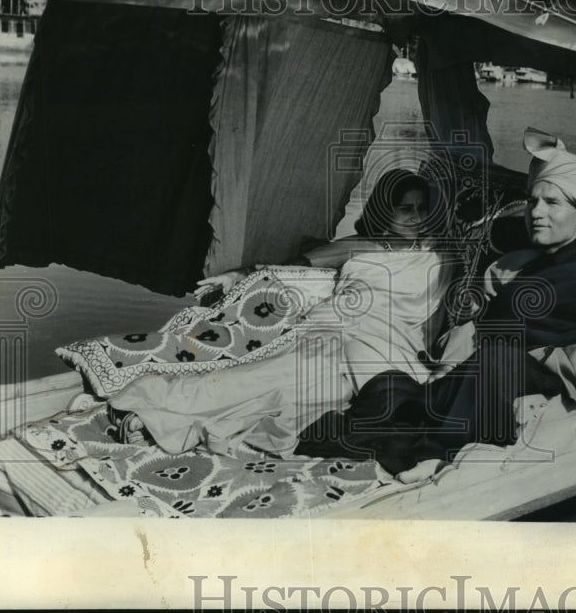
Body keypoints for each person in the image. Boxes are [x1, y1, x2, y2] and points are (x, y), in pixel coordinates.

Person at [295, 128, 576, 481]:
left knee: (494, 361)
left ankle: (434, 455)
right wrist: (455, 354)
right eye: (532, 201)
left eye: (553, 203)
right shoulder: (510, 266)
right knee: (391, 387)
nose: (537, 212)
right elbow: (469, 328)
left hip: (520, 386)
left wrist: (523, 359)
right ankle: (417, 435)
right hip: (477, 379)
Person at [106, 168, 454, 459]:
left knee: (297, 399)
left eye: (423, 208)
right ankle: (151, 403)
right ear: (383, 210)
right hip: (329, 333)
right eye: (405, 208)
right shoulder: (359, 245)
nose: (416, 217)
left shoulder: (440, 258)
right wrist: (238, 275)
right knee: (262, 379)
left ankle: (161, 426)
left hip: (379, 350)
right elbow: (294, 267)